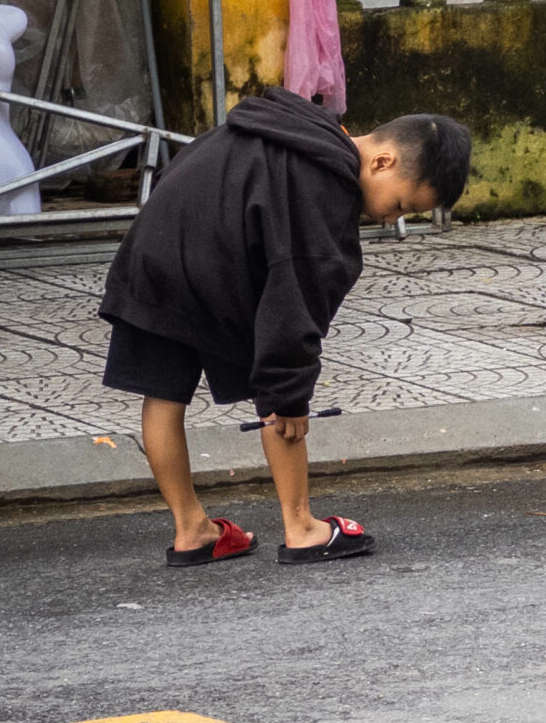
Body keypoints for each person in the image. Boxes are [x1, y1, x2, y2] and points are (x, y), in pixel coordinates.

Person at [97, 93, 472, 566]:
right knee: (282, 394)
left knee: (163, 397)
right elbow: (293, 308)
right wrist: (290, 397)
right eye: (400, 204)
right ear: (382, 161)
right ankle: (301, 528)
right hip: (211, 264)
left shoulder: (288, 124)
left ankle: (192, 530)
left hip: (152, 251)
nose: (390, 218)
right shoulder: (324, 188)